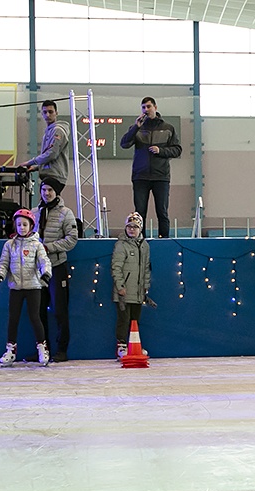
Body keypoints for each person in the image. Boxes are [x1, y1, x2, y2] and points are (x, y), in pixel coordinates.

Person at [0, 209, 52, 367]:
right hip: (16, 287)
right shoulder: (9, 245)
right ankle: (10, 350)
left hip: (33, 286)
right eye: (19, 224)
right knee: (13, 318)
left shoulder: (36, 245)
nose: (22, 227)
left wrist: (45, 273)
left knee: (35, 317)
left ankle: (42, 348)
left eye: (25, 224)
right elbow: (4, 263)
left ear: (31, 226)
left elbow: (44, 261)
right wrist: (0, 275)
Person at [119, 97, 182, 238]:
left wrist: (161, 151)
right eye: (143, 107)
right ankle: (141, 241)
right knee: (140, 212)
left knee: (162, 211)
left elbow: (177, 150)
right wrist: (136, 127)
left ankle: (164, 240)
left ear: (155, 107)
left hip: (161, 177)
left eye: (148, 107)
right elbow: (124, 144)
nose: (146, 110)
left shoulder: (168, 128)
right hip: (140, 176)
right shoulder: (138, 128)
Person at [32, 177, 78, 362]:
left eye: (50, 190)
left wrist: (49, 247)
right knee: (38, 310)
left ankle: (62, 350)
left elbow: (72, 239)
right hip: (36, 269)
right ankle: (43, 350)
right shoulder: (35, 213)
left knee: (60, 310)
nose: (46, 193)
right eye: (44, 189)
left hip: (57, 266)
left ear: (57, 192)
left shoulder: (66, 213)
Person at [111, 212, 152, 360]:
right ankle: (121, 345)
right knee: (124, 318)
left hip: (138, 291)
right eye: (129, 226)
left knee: (135, 319)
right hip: (124, 290)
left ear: (140, 228)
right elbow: (116, 267)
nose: (132, 229)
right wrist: (120, 286)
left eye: (135, 227)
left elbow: (146, 268)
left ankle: (134, 344)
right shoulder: (121, 245)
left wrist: (145, 286)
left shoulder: (145, 246)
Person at [20, 100, 71, 187]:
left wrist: (31, 162)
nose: (48, 115)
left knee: (48, 199)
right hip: (50, 175)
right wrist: (36, 167)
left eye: (50, 112)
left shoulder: (57, 131)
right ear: (42, 114)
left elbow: (52, 154)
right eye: (45, 112)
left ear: (56, 113)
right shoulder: (48, 132)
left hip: (55, 177)